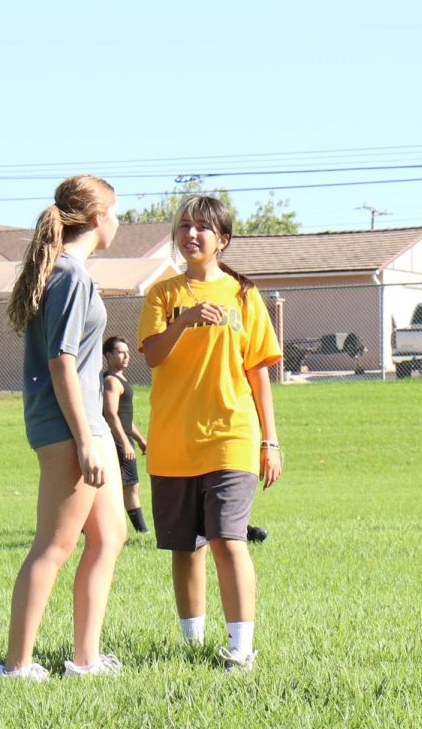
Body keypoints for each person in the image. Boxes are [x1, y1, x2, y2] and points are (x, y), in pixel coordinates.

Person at [136, 194, 282, 672]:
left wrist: (270, 439)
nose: (190, 235)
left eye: (202, 228)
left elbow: (259, 370)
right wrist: (184, 320)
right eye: (183, 226)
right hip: (173, 441)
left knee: (227, 539)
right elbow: (154, 355)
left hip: (231, 435)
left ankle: (241, 649)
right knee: (184, 547)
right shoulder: (163, 294)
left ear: (223, 240)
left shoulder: (244, 295)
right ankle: (192, 645)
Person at [0, 174, 127, 681]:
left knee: (110, 535)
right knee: (54, 545)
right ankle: (17, 666)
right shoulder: (71, 276)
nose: (118, 220)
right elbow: (61, 363)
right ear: (97, 218)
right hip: (70, 429)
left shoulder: (68, 273)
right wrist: (85, 440)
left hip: (88, 425)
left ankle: (86, 659)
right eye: (116, 211)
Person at [101, 336, 150, 534]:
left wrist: (140, 440)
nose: (126, 356)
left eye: (127, 352)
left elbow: (125, 418)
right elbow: (111, 414)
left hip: (124, 438)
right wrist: (125, 443)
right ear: (108, 355)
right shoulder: (111, 381)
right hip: (117, 440)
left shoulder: (120, 379)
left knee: (127, 485)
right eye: (121, 352)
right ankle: (142, 531)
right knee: (130, 486)